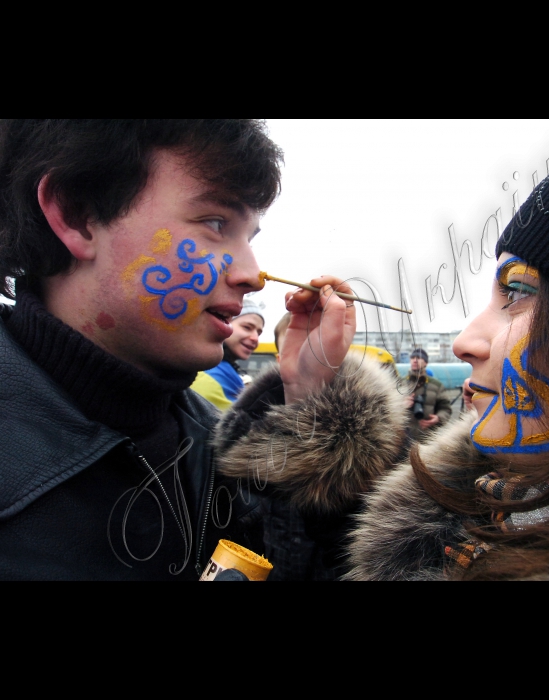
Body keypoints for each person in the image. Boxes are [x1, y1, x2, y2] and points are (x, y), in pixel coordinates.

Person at [215, 118, 549, 581]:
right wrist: (310, 389)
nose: (465, 343)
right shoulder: (470, 507)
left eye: (519, 292)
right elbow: (326, 556)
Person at [0, 119, 356, 581]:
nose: (254, 274)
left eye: (249, 238)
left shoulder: (222, 445)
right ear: (77, 215)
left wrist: (311, 410)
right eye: (215, 223)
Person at [190, 298, 265, 409]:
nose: (255, 338)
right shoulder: (209, 376)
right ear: (223, 323)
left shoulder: (226, 373)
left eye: (259, 333)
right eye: (247, 327)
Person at [402, 348, 452, 442]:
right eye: (412, 358)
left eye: (419, 358)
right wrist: (401, 406)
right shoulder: (400, 383)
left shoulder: (436, 385)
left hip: (427, 438)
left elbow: (446, 408)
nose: (415, 360)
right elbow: (386, 410)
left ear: (426, 363)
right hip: (403, 438)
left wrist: (438, 418)